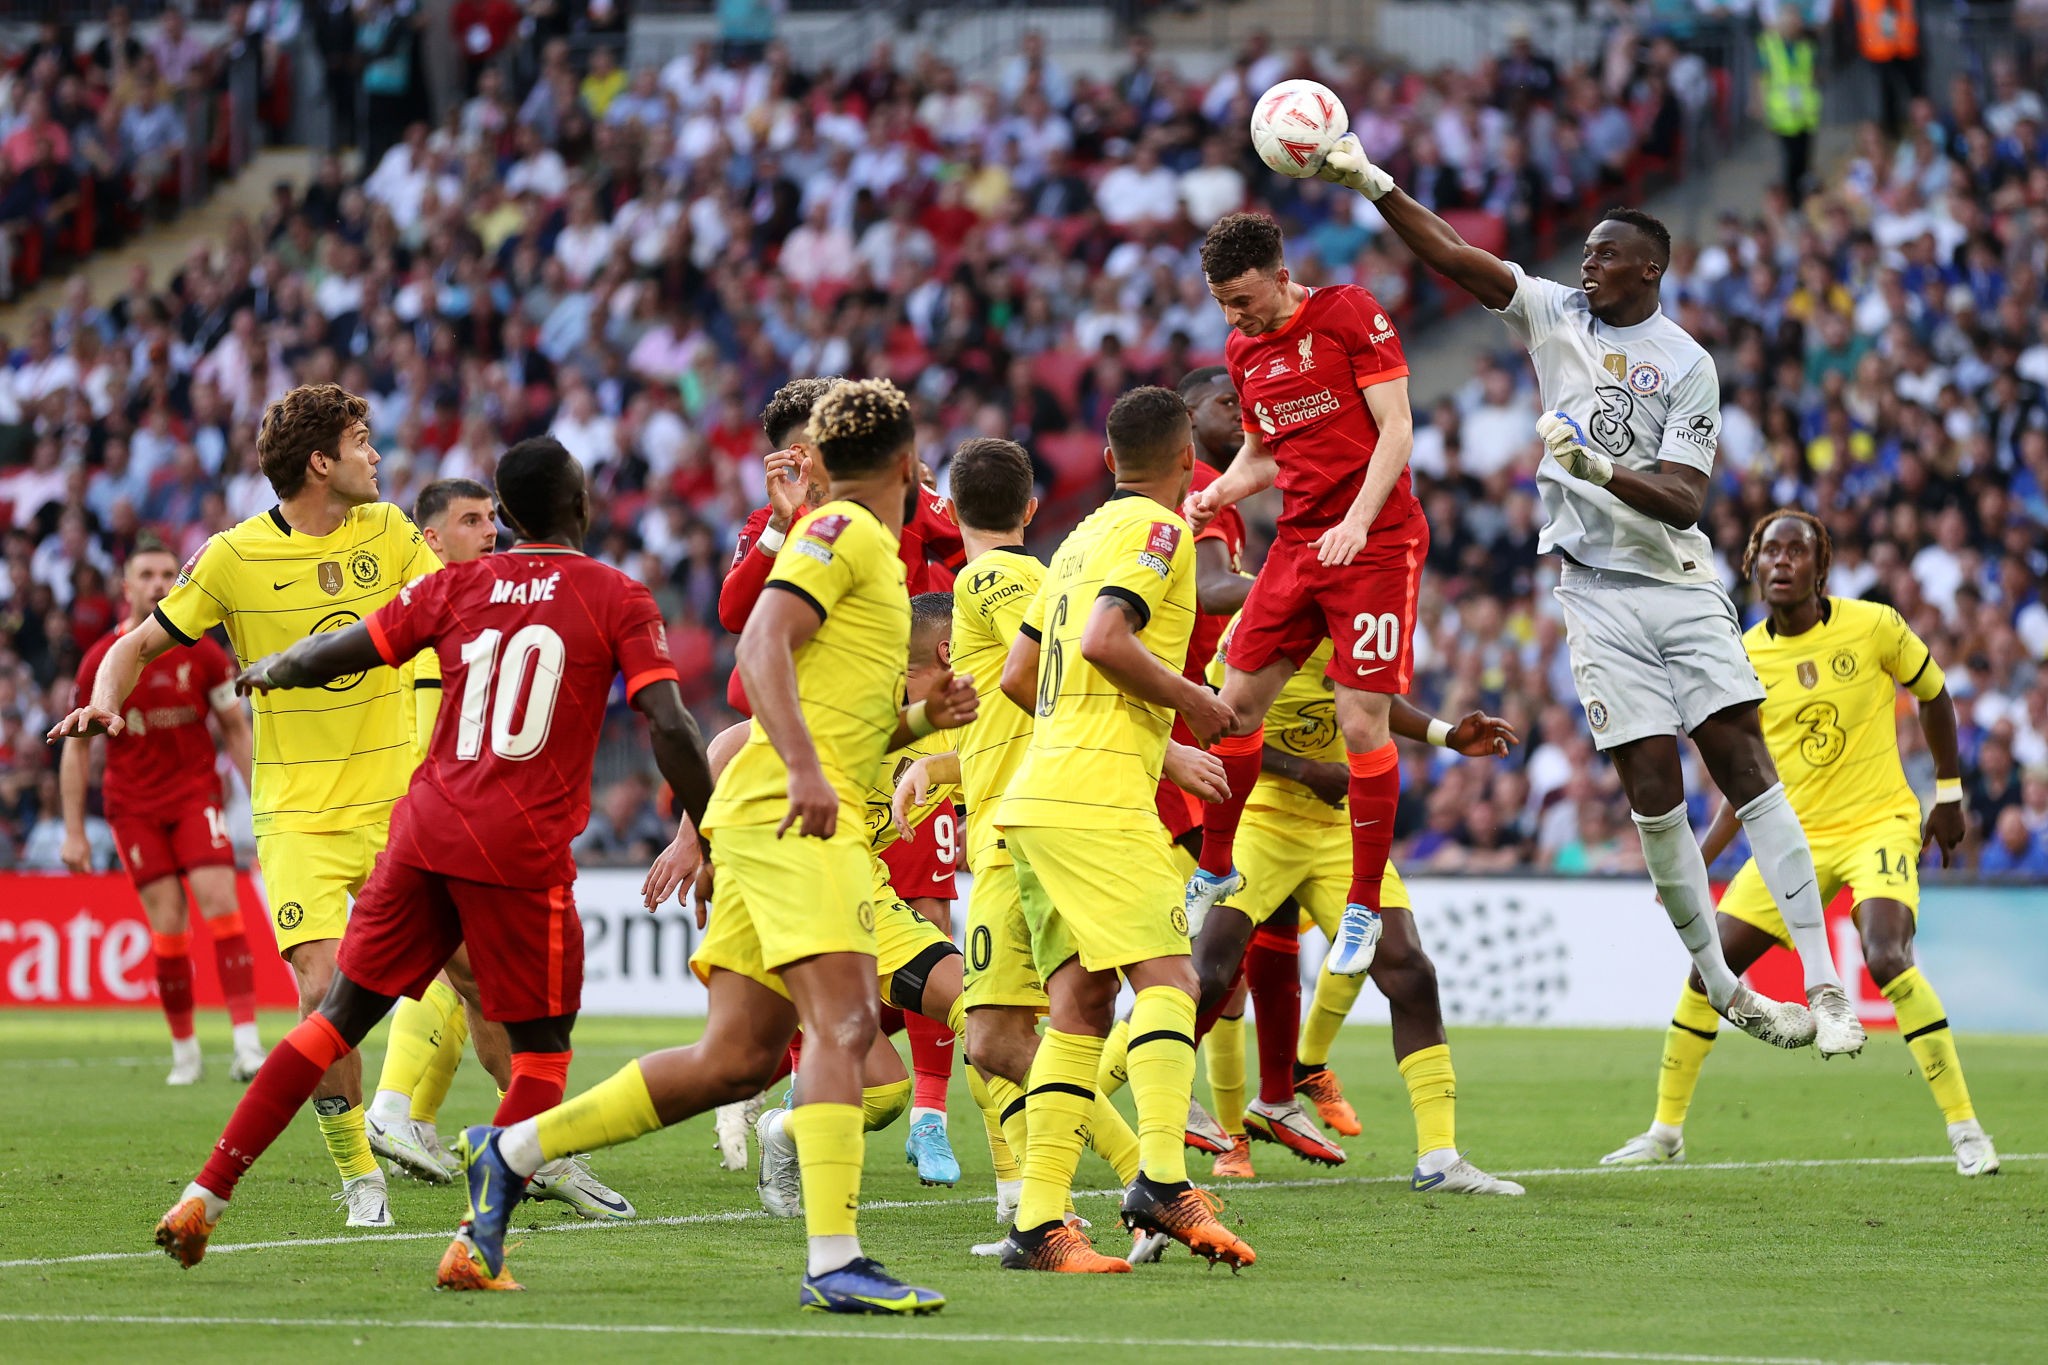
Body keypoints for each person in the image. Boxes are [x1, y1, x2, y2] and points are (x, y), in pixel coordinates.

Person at [1307, 133, 1864, 1055]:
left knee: (1739, 760)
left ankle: (1825, 983)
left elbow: (1687, 497)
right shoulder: (1555, 313)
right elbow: (1453, 257)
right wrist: (1373, 181)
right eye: (1587, 251)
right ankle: (1726, 989)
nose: (1587, 263)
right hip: (1592, 591)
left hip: (1676, 580)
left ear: (1649, 269)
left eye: (1605, 253)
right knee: (1652, 789)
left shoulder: (1687, 362)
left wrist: (1596, 465)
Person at [451, 380, 973, 1313]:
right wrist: (810, 770)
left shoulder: (865, 550)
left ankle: (514, 1150)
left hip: (774, 812)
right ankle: (833, 1259)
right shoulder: (845, 531)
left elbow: (826, 697)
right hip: (796, 816)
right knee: (848, 1026)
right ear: (907, 463)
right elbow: (758, 649)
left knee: (733, 1060)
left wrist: (913, 719)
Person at [146, 436, 714, 1283]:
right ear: (583, 508)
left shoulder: (456, 583)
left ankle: (205, 1191)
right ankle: (475, 1243)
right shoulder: (615, 593)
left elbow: (347, 647)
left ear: (508, 517)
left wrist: (272, 668)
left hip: (422, 830)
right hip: (518, 847)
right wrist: (707, 824)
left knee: (334, 1017)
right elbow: (668, 723)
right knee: (541, 1052)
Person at [49, 383, 446, 1228]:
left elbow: (456, 614)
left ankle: (539, 1146)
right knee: (323, 989)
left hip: (398, 801)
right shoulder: (232, 557)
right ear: (320, 461)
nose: (376, 454)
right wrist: (107, 699)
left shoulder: (394, 530)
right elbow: (139, 641)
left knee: (481, 975)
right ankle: (359, 1175)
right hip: (298, 814)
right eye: (362, 440)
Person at [1602, 510, 1997, 1178]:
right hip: (1789, 841)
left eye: (1797, 551)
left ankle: (1966, 1129)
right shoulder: (1740, 655)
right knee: (1709, 972)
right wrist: (1700, 857)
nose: (1781, 561)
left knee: (1886, 954)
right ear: (1753, 566)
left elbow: (1934, 694)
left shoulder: (1874, 625)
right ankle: (1665, 1131)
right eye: (1769, 552)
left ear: (1821, 566)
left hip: (1876, 823)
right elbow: (1742, 781)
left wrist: (1950, 793)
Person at [889, 438, 1180, 1266]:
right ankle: (1055, 1202)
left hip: (1029, 830)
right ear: (1027, 506)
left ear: (947, 503)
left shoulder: (996, 579)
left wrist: (1163, 754)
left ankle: (1133, 1181)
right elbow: (1012, 710)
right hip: (1013, 818)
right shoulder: (1003, 582)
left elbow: (1053, 682)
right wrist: (945, 767)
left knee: (1015, 1033)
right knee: (1002, 1034)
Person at [993, 386, 1251, 1273]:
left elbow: (1022, 677)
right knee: (1173, 978)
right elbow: (1107, 640)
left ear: (1108, 462)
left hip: (1038, 795)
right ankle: (1163, 1181)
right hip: (1097, 802)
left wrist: (1159, 752)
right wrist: (1191, 705)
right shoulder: (1163, 531)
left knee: (1079, 1008)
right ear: (1191, 463)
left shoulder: (1074, 540)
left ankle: (1036, 1224)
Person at [713, 377, 967, 1185]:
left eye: (811, 450)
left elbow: (960, 585)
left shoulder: (913, 510)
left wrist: (930, 717)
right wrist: (779, 535)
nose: (803, 466)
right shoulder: (800, 529)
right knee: (743, 1050)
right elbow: (740, 628)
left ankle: (926, 1113)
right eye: (790, 455)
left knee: (931, 915)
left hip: (887, 734)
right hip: (804, 755)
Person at [1189, 625, 1523, 1194]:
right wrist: (1306, 771)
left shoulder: (1358, 616)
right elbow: (1219, 724)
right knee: (1207, 975)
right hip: (1265, 820)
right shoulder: (1261, 617)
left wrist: (1445, 734)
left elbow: (1371, 697)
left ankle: (1438, 1156)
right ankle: (1100, 1098)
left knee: (1410, 972)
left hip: (1341, 828)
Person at [1181, 211, 1423, 986]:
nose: (1233, 316)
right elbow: (1263, 452)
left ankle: (1362, 900)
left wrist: (1357, 521)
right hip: (1299, 542)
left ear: (1281, 276)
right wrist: (1217, 491)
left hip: (1376, 543)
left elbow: (1397, 430)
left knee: (1359, 718)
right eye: (1222, 302)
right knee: (1236, 703)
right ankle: (1215, 867)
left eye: (1243, 298)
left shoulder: (1352, 312)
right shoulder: (1244, 349)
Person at [60, 534, 263, 1086]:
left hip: (197, 796)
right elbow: (77, 749)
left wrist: (260, 805)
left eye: (167, 574)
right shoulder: (101, 661)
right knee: (169, 926)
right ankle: (185, 1053)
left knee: (223, 907)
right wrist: (74, 831)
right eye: (146, 575)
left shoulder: (204, 653)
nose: (157, 584)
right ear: (126, 587)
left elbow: (235, 731)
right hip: (134, 809)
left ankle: (247, 1045)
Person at [1758, 10, 1822, 205]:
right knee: (1791, 160)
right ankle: (1793, 200)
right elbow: (1762, 77)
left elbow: (1813, 73)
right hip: (1782, 114)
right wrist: (1761, 107)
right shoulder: (1769, 45)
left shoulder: (1807, 45)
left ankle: (1801, 199)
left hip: (1805, 112)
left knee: (1803, 159)